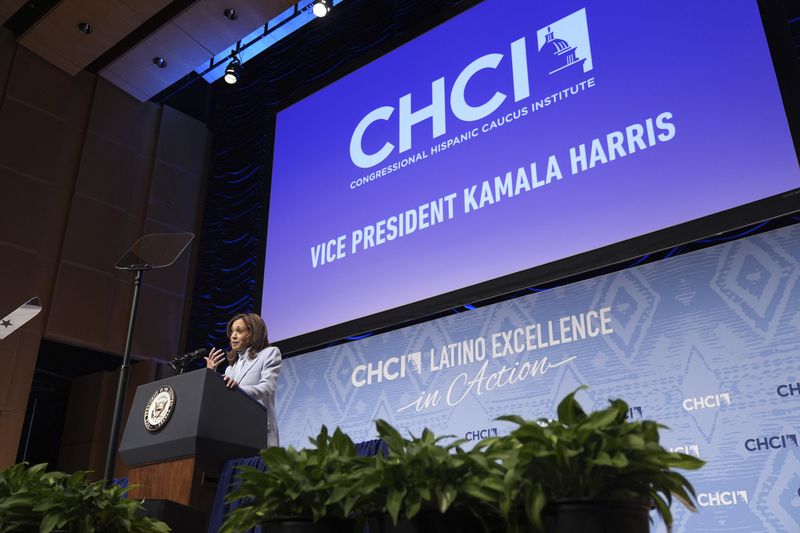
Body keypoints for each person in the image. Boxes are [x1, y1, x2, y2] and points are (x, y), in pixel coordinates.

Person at [205, 313, 281, 446]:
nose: (233, 336)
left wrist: (238, 391)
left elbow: (267, 388)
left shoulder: (270, 353)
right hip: (235, 435)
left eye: (239, 331)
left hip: (260, 432)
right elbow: (221, 401)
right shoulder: (230, 369)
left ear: (252, 334)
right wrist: (211, 374)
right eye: (232, 331)